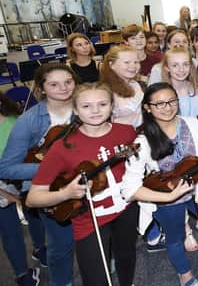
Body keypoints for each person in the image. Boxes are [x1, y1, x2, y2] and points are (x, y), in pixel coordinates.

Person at [121, 83, 198, 286]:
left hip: (197, 186)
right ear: (147, 108)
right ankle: (184, 273)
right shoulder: (142, 142)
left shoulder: (192, 123)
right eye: (159, 104)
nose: (167, 107)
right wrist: (169, 197)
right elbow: (129, 189)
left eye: (171, 101)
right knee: (175, 236)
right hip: (166, 195)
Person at [26, 83, 138, 286]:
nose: (95, 111)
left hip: (126, 210)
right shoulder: (63, 146)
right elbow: (33, 198)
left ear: (112, 106)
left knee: (127, 256)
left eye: (102, 104)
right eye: (86, 106)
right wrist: (65, 193)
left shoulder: (127, 132)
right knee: (96, 279)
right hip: (89, 220)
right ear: (75, 110)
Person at [0, 64, 80, 286]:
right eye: (54, 84)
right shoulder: (29, 120)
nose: (63, 88)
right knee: (62, 246)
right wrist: (55, 168)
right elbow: (6, 168)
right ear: (42, 88)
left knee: (92, 239)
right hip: (50, 191)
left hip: (88, 184)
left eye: (68, 82)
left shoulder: (86, 107)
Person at [0, 92, 41, 286]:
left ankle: (40, 248)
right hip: (1, 187)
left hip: (24, 177)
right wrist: (6, 194)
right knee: (10, 230)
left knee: (35, 213)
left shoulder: (16, 121)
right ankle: (22, 273)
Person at [101, 46, 144, 128]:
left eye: (136, 62)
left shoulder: (135, 84)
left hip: (139, 132)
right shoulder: (105, 90)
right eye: (127, 62)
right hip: (120, 135)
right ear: (111, 65)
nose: (133, 66)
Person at [161, 47, 198, 119]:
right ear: (167, 67)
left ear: (191, 66)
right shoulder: (161, 94)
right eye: (175, 65)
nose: (181, 69)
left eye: (185, 64)